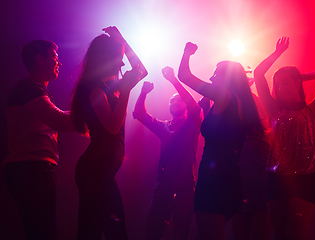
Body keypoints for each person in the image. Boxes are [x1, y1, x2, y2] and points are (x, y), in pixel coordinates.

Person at [178, 42, 264, 240]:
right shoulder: (236, 102)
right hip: (225, 176)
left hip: (216, 178)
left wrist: (187, 52)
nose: (211, 77)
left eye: (215, 73)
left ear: (228, 78)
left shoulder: (225, 96)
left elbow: (185, 76)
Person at [253, 37, 315, 240]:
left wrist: (302, 76)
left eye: (286, 83)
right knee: (279, 234)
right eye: (278, 85)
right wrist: (277, 53)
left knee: (296, 235)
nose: (281, 88)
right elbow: (258, 73)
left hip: (305, 179)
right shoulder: (273, 109)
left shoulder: (314, 110)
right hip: (276, 178)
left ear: (297, 83)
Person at [70, 26, 147, 240]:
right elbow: (112, 127)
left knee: (115, 233)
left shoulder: (109, 85)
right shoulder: (94, 88)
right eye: (119, 58)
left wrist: (122, 40)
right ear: (105, 59)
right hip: (94, 172)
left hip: (103, 173)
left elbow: (141, 70)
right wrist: (126, 91)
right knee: (91, 233)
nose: (123, 63)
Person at [3, 40, 73, 240]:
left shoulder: (35, 89)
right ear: (40, 59)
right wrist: (93, 112)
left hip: (32, 170)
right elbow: (58, 119)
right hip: (30, 170)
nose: (59, 62)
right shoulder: (29, 88)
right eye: (55, 57)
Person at [133, 66, 202, 240]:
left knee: (181, 234)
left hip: (185, 187)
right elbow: (139, 113)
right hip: (162, 187)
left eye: (178, 100)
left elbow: (196, 109)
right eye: (171, 101)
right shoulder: (164, 127)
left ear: (185, 105)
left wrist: (173, 80)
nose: (173, 103)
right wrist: (143, 93)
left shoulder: (190, 125)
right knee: (152, 231)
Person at [231, 79, 272, 240]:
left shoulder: (262, 126)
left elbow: (264, 121)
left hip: (259, 174)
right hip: (238, 174)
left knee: (261, 226)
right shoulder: (230, 105)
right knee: (240, 226)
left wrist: (247, 91)